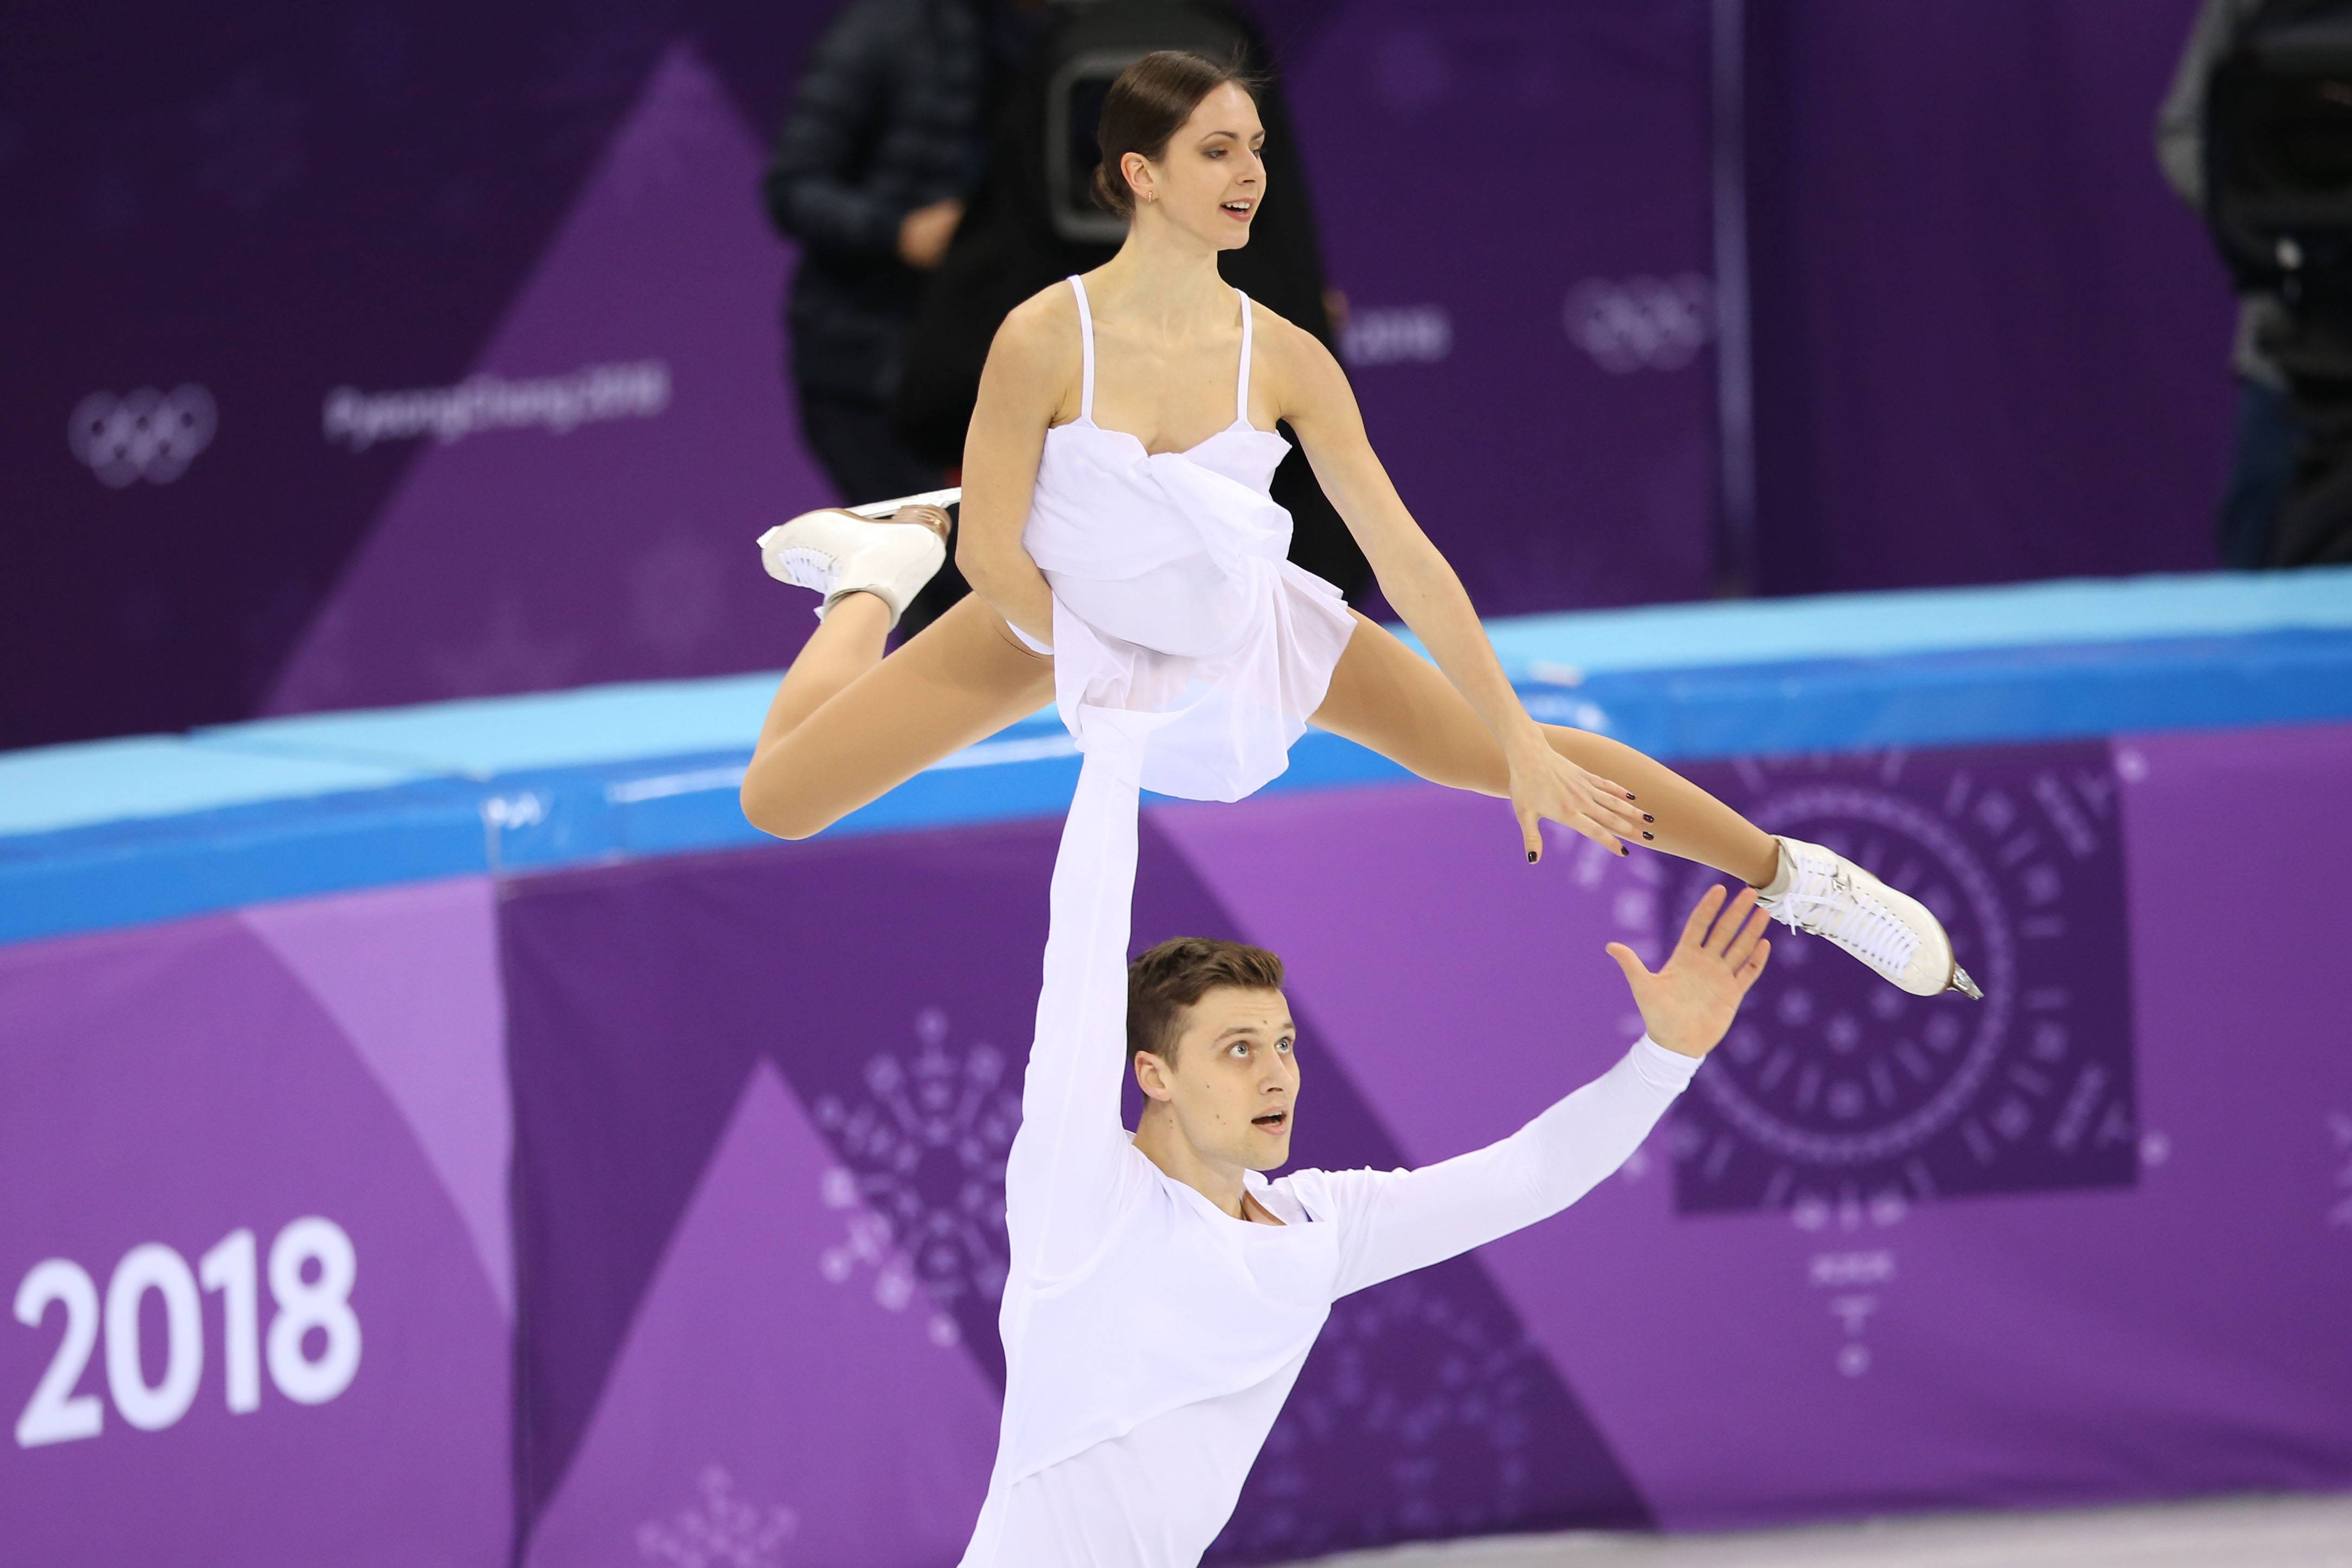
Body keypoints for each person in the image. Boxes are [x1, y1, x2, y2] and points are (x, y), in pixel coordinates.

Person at [742, 51, 1978, 1001]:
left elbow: (1404, 558)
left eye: (1254, 148)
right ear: (1139, 173)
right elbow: (991, 552)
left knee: (1516, 756)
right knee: (782, 798)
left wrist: (1514, 739)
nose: (1248, 174)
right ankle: (872, 572)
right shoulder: (1039, 334)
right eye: (1216, 150)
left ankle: (1800, 876)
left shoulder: (1285, 355)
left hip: (1240, 624)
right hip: (1053, 614)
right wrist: (1098, 661)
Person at [951, 723, 1771, 1563]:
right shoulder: (1083, 1194)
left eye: (1283, 1044)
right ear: (1153, 1075)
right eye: (1238, 1050)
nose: (1276, 1075)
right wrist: (1116, 743)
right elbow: (1081, 954)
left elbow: (1531, 1175)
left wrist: (1666, 1057)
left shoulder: (1320, 1226)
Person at [762, 0, 1049, 634]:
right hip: (864, 367)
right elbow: (793, 185)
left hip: (983, 361)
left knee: (997, 587)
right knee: (928, 581)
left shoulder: (1059, 37)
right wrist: (898, 231)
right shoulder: (883, 30)